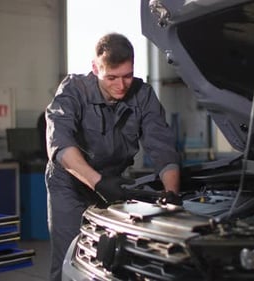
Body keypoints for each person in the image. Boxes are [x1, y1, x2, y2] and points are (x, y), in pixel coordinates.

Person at [44, 32, 181, 281]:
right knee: (69, 258)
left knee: (112, 259)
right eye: (112, 77)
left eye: (127, 76)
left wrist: (171, 194)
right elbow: (60, 144)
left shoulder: (143, 94)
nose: (121, 86)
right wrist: (97, 182)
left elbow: (162, 147)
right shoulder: (73, 89)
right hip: (70, 185)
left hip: (113, 184)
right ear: (95, 68)